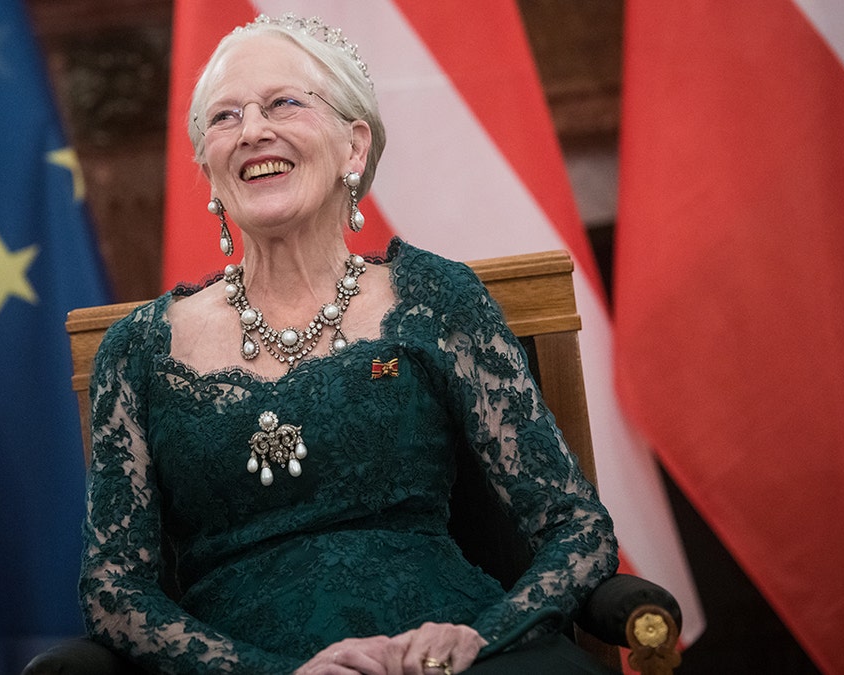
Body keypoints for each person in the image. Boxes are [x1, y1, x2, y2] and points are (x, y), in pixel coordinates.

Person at [80, 13, 618, 674]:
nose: (253, 131)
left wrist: (482, 635)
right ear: (209, 168)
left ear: (354, 147)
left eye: (284, 103)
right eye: (224, 118)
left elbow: (578, 528)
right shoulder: (137, 352)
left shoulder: (436, 298)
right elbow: (114, 592)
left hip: (452, 659)